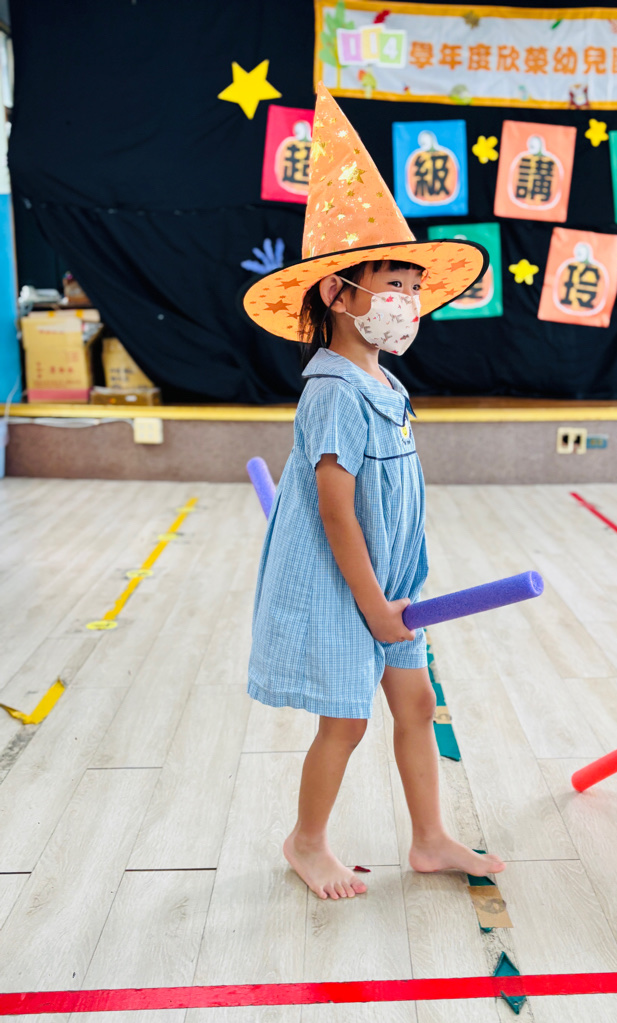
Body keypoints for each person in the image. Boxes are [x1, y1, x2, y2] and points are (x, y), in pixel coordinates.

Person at [241, 84, 500, 900]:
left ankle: (429, 839)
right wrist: (372, 603)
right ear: (337, 293)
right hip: (345, 586)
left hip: (393, 583)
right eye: (392, 284)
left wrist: (396, 592)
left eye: (414, 287)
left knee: (416, 704)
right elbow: (335, 510)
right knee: (347, 721)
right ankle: (306, 841)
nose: (407, 303)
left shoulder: (386, 383)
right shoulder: (332, 391)